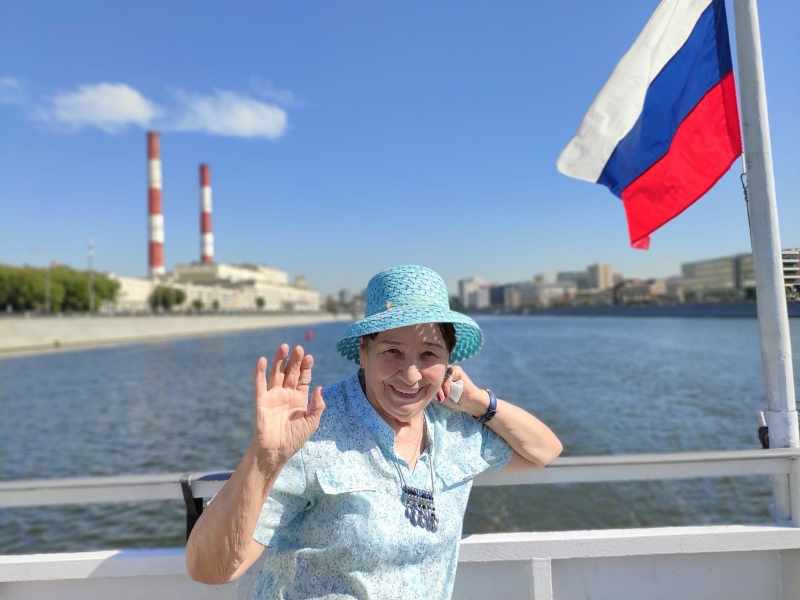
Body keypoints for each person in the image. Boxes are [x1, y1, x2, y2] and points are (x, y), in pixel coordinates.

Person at [185, 264, 563, 599]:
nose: (411, 375)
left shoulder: (452, 427)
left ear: (449, 362)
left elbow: (544, 451)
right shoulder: (312, 430)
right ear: (364, 353)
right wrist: (263, 458)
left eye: (429, 354)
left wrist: (480, 402)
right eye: (392, 352)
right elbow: (211, 570)